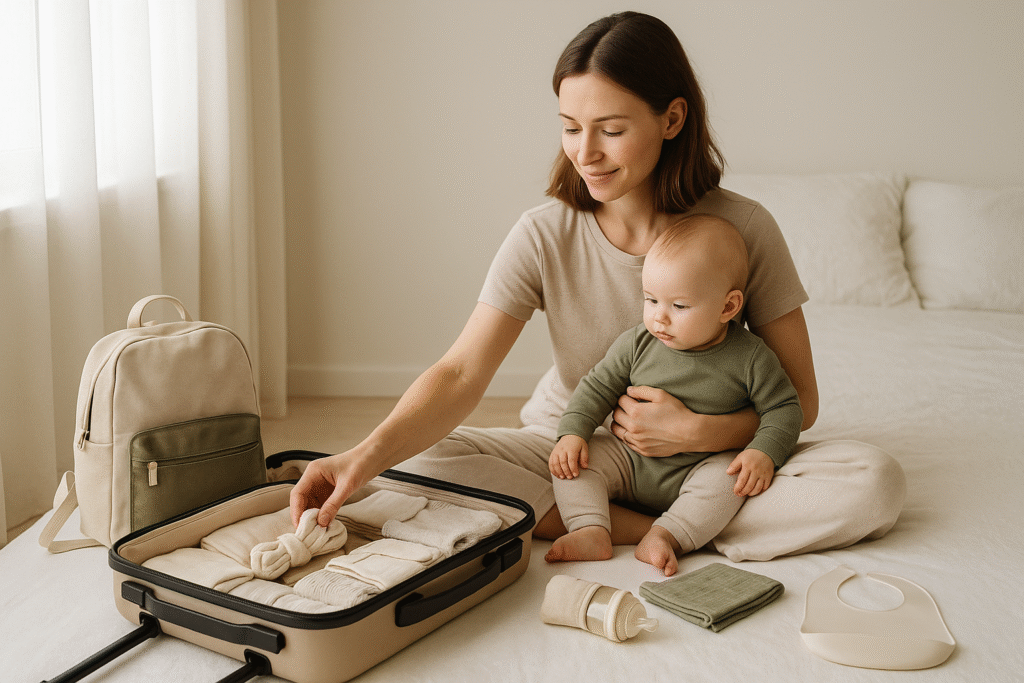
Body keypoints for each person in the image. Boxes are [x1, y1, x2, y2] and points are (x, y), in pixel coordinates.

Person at [290, 11, 905, 563]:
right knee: (425, 465)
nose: (586, 154)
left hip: (710, 460)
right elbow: (460, 374)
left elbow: (801, 400)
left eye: (610, 130)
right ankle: (674, 529)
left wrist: (699, 432)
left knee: (872, 482)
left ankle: (662, 521)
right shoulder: (543, 234)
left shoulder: (742, 229)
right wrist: (359, 458)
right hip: (580, 450)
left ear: (671, 118)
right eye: (569, 128)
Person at [547, 214, 802, 576]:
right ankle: (590, 528)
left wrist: (763, 452)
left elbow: (785, 408)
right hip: (628, 459)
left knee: (730, 480)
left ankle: (666, 535)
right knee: (569, 463)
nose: (659, 319)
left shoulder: (751, 357)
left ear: (728, 307)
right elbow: (597, 386)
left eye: (678, 306)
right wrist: (573, 433)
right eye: (651, 300)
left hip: (700, 466)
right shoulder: (637, 342)